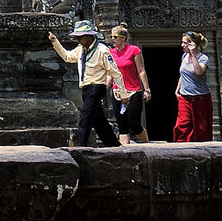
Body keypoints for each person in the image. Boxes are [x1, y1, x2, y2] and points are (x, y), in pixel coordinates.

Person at [47, 19, 120, 147]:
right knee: (99, 121)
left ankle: (82, 146)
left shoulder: (102, 50)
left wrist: (123, 94)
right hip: (86, 89)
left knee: (85, 118)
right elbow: (67, 57)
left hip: (97, 87)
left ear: (88, 36)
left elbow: (115, 72)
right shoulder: (80, 49)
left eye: (80, 37)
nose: (78, 40)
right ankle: (113, 145)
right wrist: (55, 41)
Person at [109, 24, 150, 144]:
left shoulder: (134, 50)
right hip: (118, 92)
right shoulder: (110, 53)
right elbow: (109, 74)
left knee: (134, 123)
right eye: (111, 36)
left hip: (133, 91)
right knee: (122, 124)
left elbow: (141, 71)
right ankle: (124, 154)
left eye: (115, 36)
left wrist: (147, 89)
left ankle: (148, 145)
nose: (112, 39)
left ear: (123, 38)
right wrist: (103, 90)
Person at [174, 31, 215, 142]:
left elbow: (198, 72)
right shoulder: (184, 56)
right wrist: (177, 89)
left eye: (185, 43)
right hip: (185, 97)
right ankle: (180, 152)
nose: (182, 45)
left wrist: (193, 55)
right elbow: (183, 74)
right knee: (181, 127)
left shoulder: (203, 58)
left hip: (201, 98)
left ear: (193, 44)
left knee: (202, 129)